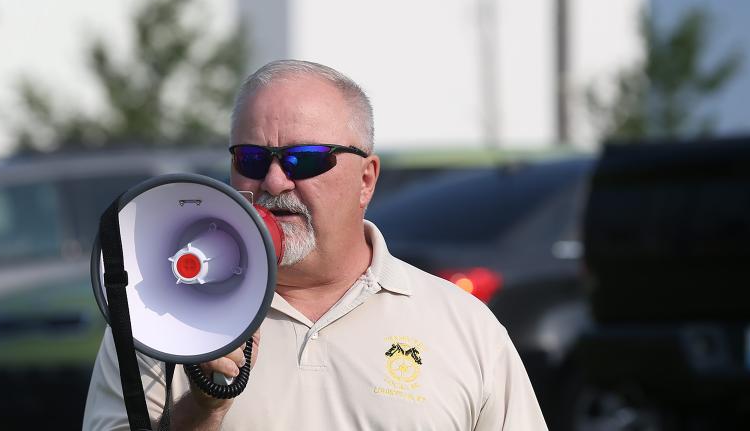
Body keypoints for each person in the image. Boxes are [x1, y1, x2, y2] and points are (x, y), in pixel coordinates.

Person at [83, 60, 548, 430]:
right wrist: (203, 408)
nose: (274, 179)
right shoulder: (158, 318)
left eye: (303, 159)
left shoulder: (461, 325)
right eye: (251, 157)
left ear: (366, 180)